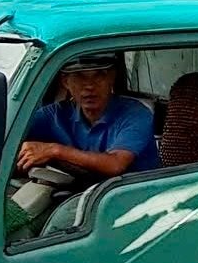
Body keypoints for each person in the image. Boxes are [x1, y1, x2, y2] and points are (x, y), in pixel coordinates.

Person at [17, 53, 160, 178]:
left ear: (112, 78)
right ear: (66, 82)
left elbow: (116, 164)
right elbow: (9, 137)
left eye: (99, 75)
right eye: (80, 76)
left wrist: (54, 150)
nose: (89, 86)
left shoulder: (136, 114)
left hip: (138, 200)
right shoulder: (54, 115)